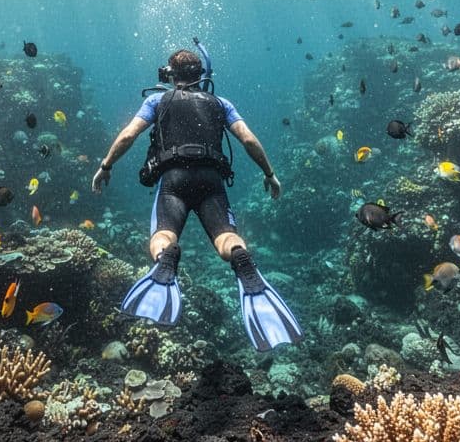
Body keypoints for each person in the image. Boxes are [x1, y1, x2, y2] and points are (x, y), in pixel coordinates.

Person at [91, 42, 302, 351]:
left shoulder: (157, 100)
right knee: (226, 237)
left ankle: (167, 259)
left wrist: (105, 166)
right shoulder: (221, 103)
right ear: (202, 75)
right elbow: (248, 139)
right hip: (210, 180)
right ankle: (242, 261)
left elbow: (128, 135)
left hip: (174, 180)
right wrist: (269, 174)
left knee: (163, 234)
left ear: (169, 74)